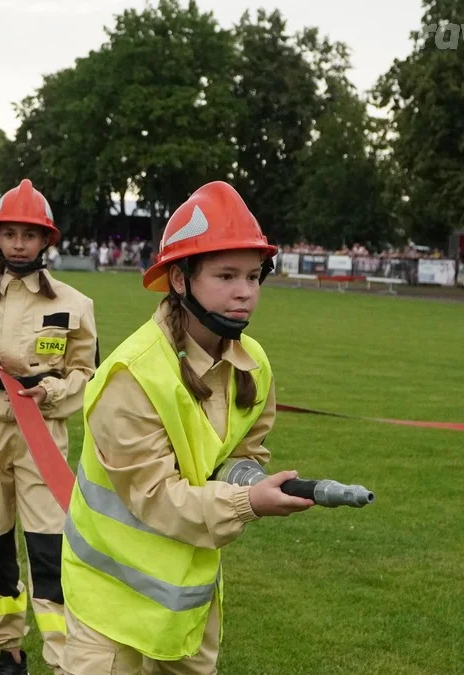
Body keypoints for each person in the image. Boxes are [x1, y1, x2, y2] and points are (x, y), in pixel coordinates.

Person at [60, 181, 315, 674]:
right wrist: (249, 502)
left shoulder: (253, 365)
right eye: (225, 275)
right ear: (179, 280)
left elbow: (245, 453)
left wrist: (249, 479)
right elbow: (155, 496)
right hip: (108, 607)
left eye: (253, 276)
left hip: (187, 600)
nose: (245, 292)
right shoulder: (130, 374)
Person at [0, 179, 99, 675]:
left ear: (46, 240)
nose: (18, 243)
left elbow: (85, 373)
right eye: (9, 234)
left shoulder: (76, 304)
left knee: (49, 549)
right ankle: (9, 652)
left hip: (42, 435)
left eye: (29, 235)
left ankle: (63, 660)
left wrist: (50, 393)